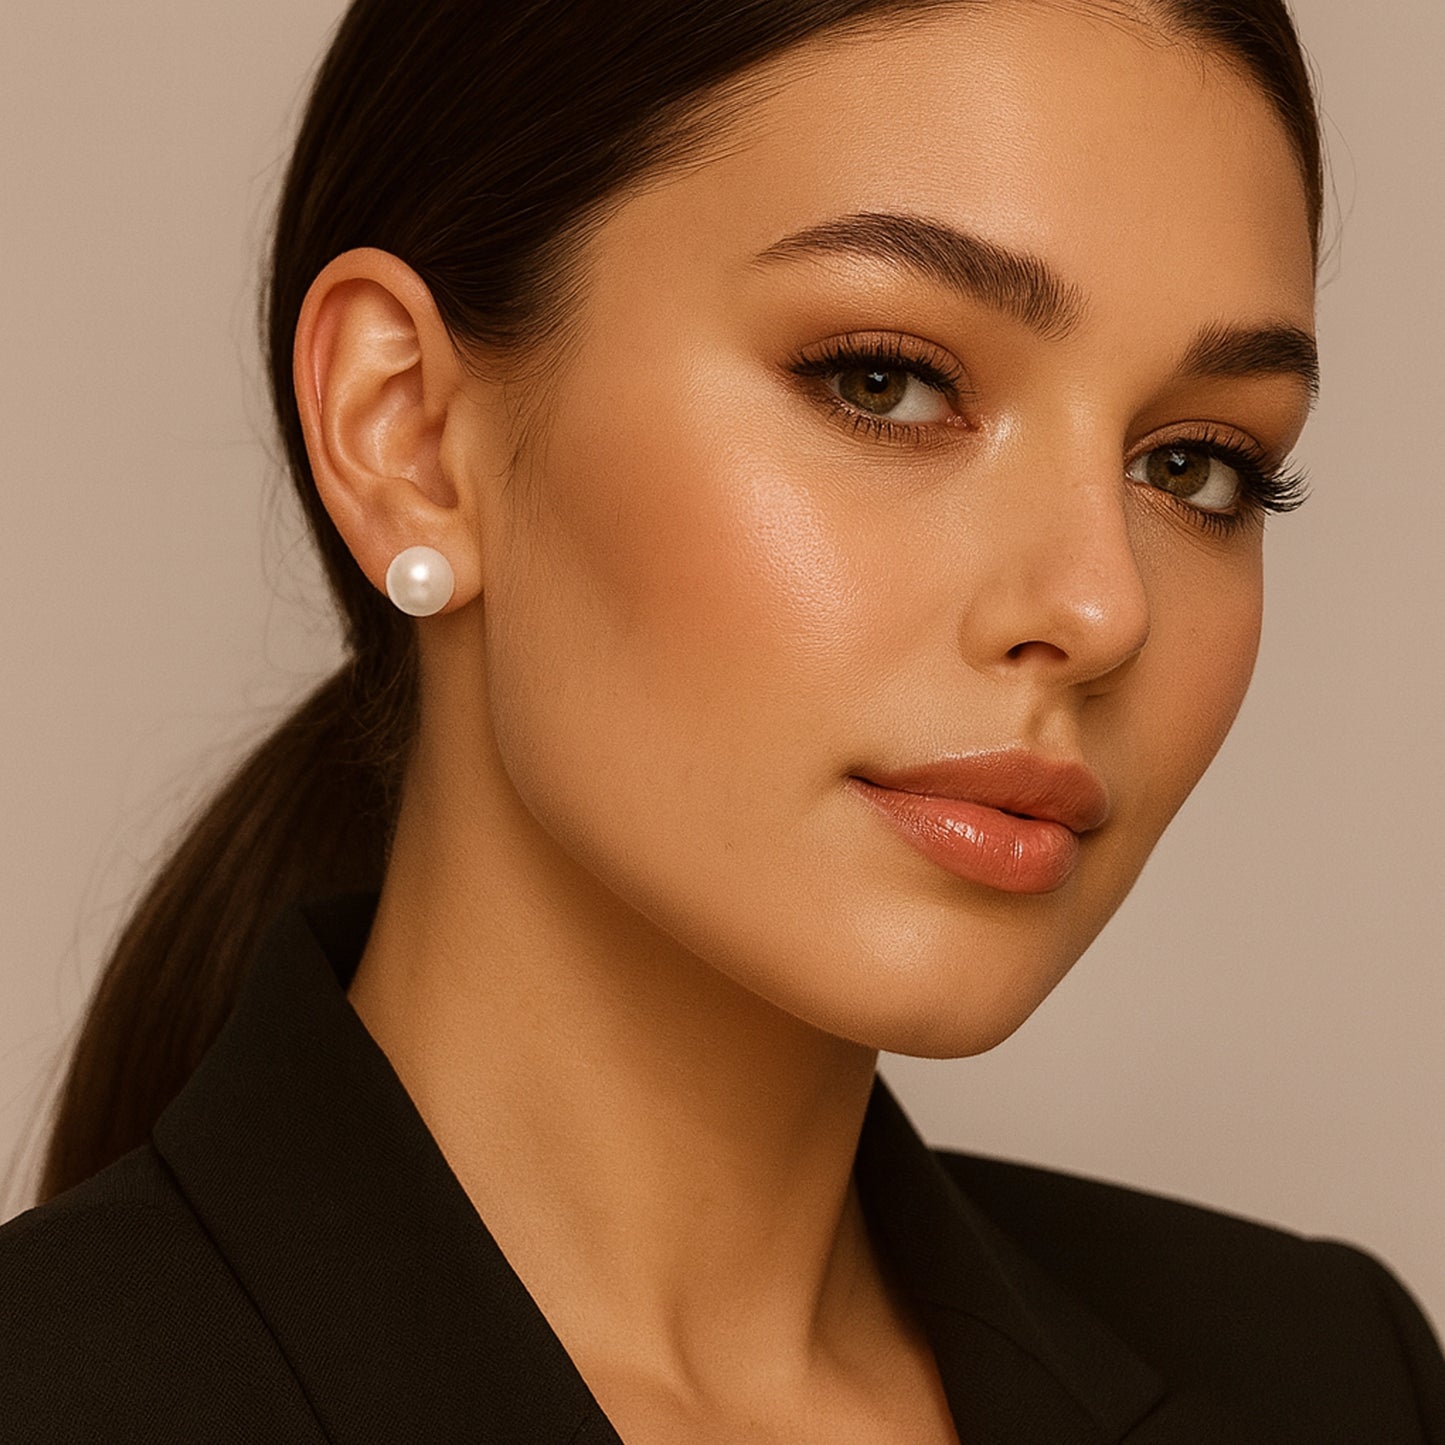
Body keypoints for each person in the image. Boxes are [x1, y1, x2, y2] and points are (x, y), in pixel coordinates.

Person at [3, 0, 1442, 1438]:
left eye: (1197, 466)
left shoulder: (1331, 1382)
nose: (1101, 605)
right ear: (410, 434)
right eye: (884, 379)